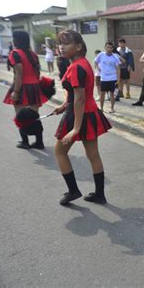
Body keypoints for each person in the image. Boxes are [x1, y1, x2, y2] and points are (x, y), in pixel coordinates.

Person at [53, 30, 112, 206]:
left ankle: (73, 191)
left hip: (78, 114)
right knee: (93, 154)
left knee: (60, 151)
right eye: (60, 44)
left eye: (66, 43)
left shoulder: (76, 66)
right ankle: (99, 194)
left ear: (78, 46)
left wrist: (76, 129)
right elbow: (77, 93)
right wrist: (64, 105)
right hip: (90, 112)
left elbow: (79, 98)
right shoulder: (83, 63)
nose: (61, 47)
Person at [3, 30, 48, 149]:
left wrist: (16, 91)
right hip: (34, 86)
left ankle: (25, 142)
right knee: (34, 116)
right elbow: (37, 72)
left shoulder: (14, 53)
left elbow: (19, 74)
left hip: (22, 87)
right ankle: (39, 142)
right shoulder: (33, 54)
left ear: (16, 40)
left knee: (20, 117)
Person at [95, 42, 121, 113]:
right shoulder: (101, 55)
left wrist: (118, 79)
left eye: (111, 47)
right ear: (105, 48)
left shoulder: (115, 57)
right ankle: (101, 108)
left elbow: (118, 69)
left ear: (112, 48)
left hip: (113, 78)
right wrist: (98, 68)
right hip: (103, 78)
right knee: (102, 94)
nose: (109, 49)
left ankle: (112, 108)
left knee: (112, 94)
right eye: (108, 47)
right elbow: (96, 62)